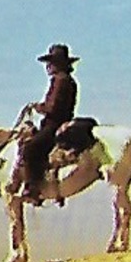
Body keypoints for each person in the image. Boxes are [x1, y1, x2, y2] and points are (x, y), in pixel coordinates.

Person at [16, 43, 79, 203]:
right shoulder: (68, 80)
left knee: (31, 148)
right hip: (61, 121)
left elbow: (52, 107)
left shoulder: (60, 81)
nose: (48, 67)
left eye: (50, 63)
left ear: (58, 64)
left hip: (54, 124)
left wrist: (38, 107)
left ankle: (33, 188)